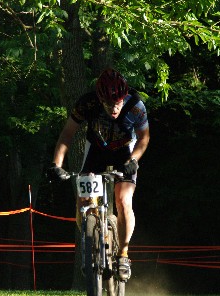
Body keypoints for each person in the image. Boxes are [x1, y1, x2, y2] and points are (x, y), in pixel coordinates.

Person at [49, 68, 150, 281]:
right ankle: (91, 240)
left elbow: (143, 138)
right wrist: (57, 164)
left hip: (125, 152)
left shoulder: (135, 106)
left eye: (118, 103)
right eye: (108, 104)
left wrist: (134, 160)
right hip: (96, 150)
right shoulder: (87, 103)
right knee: (82, 201)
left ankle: (123, 254)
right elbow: (67, 134)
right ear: (100, 99)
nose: (114, 109)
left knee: (123, 200)